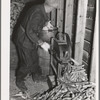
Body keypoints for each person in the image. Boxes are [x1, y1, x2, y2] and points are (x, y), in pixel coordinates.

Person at [13, 0, 59, 98]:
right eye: (53, 9)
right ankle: (19, 80)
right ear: (51, 8)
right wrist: (41, 43)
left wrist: (46, 23)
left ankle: (37, 76)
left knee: (35, 57)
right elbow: (30, 32)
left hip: (29, 38)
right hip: (24, 39)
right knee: (27, 62)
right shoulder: (37, 13)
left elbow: (43, 16)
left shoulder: (40, 7)